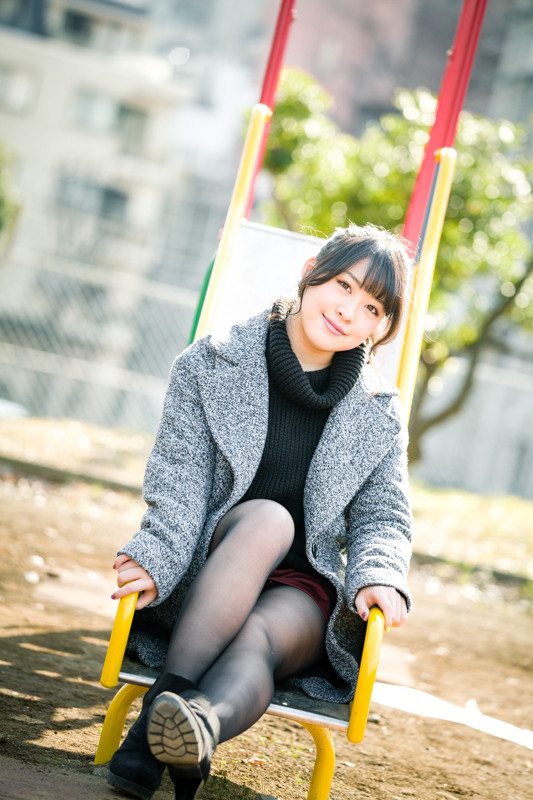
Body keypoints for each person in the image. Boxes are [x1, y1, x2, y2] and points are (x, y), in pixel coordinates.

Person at [106, 223, 413, 800]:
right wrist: (156, 552)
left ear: (380, 326)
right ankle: (159, 731)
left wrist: (379, 575)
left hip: (302, 588)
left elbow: (383, 514)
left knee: (258, 638)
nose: (348, 311)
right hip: (216, 565)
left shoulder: (379, 410)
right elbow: (179, 480)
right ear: (310, 273)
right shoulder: (210, 364)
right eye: (343, 285)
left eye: (372, 307)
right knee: (269, 517)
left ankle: (193, 733)